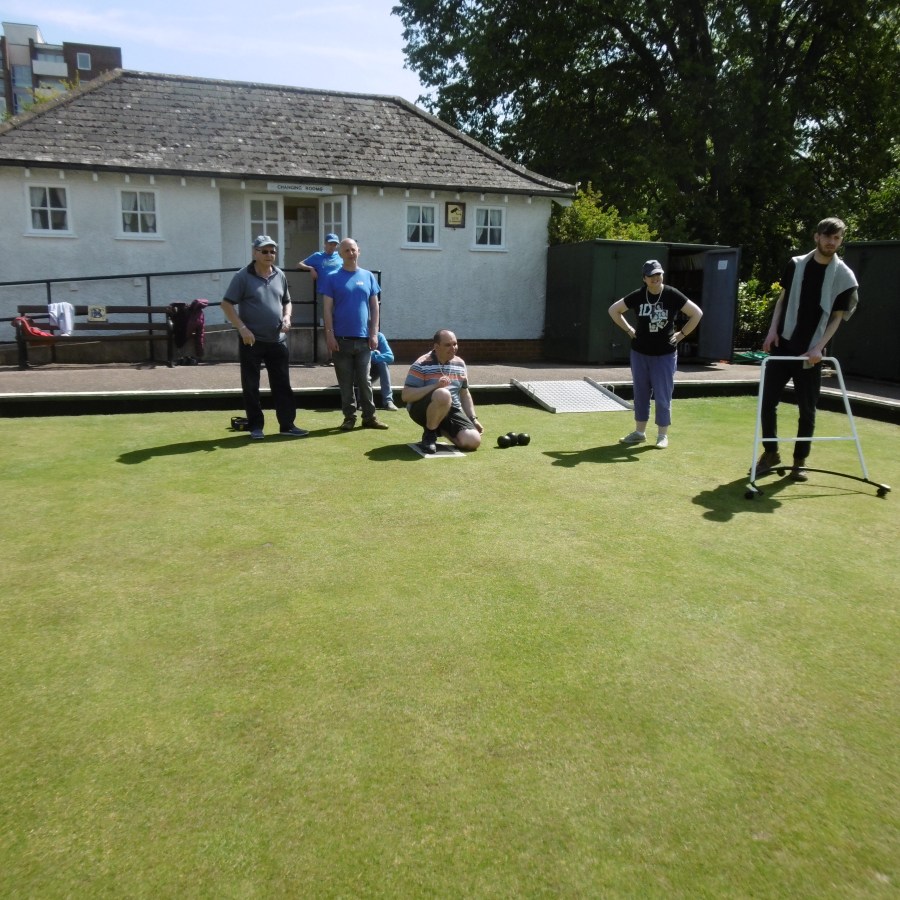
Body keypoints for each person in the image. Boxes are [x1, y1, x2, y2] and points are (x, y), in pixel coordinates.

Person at [757, 217, 859, 480]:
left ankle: (799, 462)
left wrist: (818, 348)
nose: (831, 242)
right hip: (783, 345)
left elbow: (837, 317)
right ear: (816, 236)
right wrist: (772, 330)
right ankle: (771, 453)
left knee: (807, 409)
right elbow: (782, 300)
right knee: (767, 403)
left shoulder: (844, 276)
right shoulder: (796, 264)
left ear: (841, 240)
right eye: (827, 236)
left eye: (837, 238)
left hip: (811, 353)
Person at [221, 235, 308, 440]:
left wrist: (287, 317)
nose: (269, 255)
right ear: (255, 253)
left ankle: (287, 425)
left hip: (277, 340)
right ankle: (255, 427)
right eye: (265, 251)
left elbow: (287, 301)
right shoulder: (242, 276)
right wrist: (242, 328)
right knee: (251, 386)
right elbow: (226, 304)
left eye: (272, 251)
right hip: (251, 341)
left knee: (282, 385)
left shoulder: (280, 274)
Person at [608, 259, 703, 448]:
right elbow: (614, 310)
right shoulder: (638, 295)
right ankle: (639, 433)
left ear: (662, 275)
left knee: (662, 395)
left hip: (665, 354)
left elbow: (696, 313)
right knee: (641, 393)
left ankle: (662, 435)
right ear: (644, 278)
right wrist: (629, 330)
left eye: (658, 274)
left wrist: (681, 334)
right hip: (640, 353)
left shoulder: (671, 294)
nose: (655, 278)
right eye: (651, 275)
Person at [320, 238, 389, 431]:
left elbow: (375, 307)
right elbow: (327, 310)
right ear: (340, 254)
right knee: (345, 382)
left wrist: (374, 333)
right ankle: (349, 418)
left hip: (364, 340)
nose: (350, 253)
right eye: (346, 251)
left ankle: (369, 417)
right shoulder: (332, 278)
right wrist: (329, 335)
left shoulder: (368, 276)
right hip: (340, 340)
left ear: (359, 251)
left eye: (353, 250)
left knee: (365, 381)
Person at [402, 329, 483, 453]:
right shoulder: (421, 364)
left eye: (455, 344)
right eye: (448, 345)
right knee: (443, 394)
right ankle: (429, 436)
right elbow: (406, 396)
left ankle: (442, 430)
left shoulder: (460, 364)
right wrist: (435, 386)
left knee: (473, 441)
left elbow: (464, 393)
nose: (453, 348)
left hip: (451, 410)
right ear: (436, 347)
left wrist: (473, 419)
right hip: (421, 411)